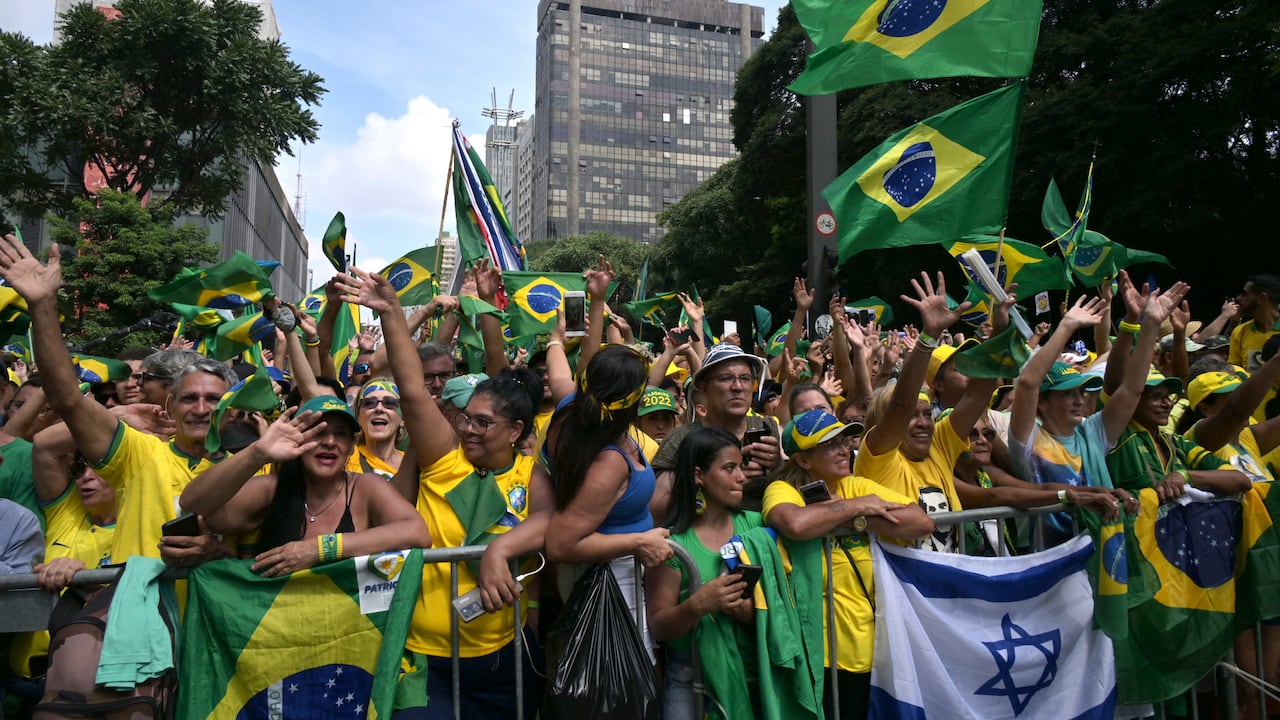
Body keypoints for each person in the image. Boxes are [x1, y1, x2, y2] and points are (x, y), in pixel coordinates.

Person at [341, 266, 552, 720]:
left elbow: (546, 520)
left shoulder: (530, 475)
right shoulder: (444, 460)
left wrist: (500, 551)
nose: (468, 429)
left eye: (483, 423)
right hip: (423, 660)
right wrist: (394, 312)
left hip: (501, 660)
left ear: (516, 431)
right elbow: (413, 389)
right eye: (465, 418)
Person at [0, 234, 228, 567]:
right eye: (190, 398)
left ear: (232, 407)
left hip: (214, 615)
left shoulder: (256, 465)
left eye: (214, 399)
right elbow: (68, 399)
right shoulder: (142, 454)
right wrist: (43, 306)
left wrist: (219, 551)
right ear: (170, 406)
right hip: (139, 615)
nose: (202, 408)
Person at [764, 409, 933, 719]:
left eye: (844, 441)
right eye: (830, 445)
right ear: (803, 460)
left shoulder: (855, 484)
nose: (844, 449)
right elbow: (796, 523)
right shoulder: (783, 490)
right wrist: (856, 508)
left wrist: (853, 519)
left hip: (879, 650)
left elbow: (920, 522)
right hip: (823, 653)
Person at [1009, 277, 1181, 545]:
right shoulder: (1029, 441)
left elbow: (1132, 390)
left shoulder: (1093, 431)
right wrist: (1066, 326)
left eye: (1081, 392)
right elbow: (1030, 382)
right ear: (1042, 402)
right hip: (1053, 566)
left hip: (1103, 557)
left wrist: (1150, 325)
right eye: (1068, 394)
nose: (1079, 400)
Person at [851, 273, 1000, 553]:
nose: (923, 424)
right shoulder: (877, 457)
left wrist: (1000, 330)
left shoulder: (939, 448)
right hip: (909, 591)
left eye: (927, 415)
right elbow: (901, 404)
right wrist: (928, 337)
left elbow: (980, 392)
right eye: (912, 417)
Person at [544, 343, 674, 658]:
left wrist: (555, 340)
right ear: (636, 400)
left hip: (619, 582)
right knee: (623, 691)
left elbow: (558, 372)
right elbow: (559, 544)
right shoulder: (609, 463)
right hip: (610, 588)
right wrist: (638, 542)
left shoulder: (572, 411)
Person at [646, 427, 757, 719]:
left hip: (750, 673)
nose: (742, 477)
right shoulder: (674, 544)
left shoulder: (757, 528)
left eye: (741, 467)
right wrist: (699, 604)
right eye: (729, 468)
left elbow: (784, 608)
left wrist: (750, 612)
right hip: (688, 678)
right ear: (699, 475)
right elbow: (658, 625)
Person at [651, 343, 782, 516]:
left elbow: (799, 484)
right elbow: (656, 508)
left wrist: (777, 464)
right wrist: (718, 481)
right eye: (726, 378)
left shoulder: (768, 428)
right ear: (704, 387)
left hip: (765, 536)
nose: (737, 386)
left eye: (745, 378)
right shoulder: (681, 439)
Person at [346, 377, 405, 480]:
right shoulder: (345, 458)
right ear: (358, 416)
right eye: (369, 403)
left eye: (390, 403)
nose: (379, 409)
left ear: (403, 419)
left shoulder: (414, 465)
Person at [1230, 274, 1280, 373]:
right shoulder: (1240, 332)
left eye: (1245, 294)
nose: (1239, 298)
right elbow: (1233, 374)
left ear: (1262, 297)